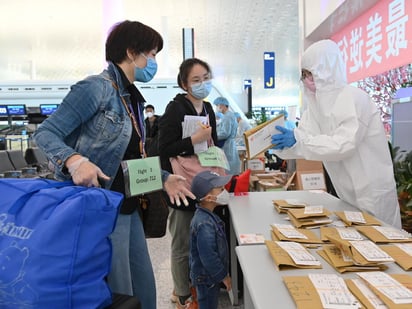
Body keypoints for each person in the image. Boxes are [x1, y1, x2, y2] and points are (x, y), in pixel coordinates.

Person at [33, 20, 195, 309]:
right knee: (117, 291)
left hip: (126, 207)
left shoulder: (129, 98)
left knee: (142, 287)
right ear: (132, 52)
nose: (153, 62)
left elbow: (128, 161)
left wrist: (163, 178)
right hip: (99, 207)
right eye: (152, 54)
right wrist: (74, 160)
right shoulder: (96, 88)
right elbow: (46, 132)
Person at [271, 39, 401, 229]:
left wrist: (299, 140)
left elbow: (343, 145)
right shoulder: (315, 107)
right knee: (362, 246)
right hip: (346, 193)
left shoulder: (354, 98)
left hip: (372, 192)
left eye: (310, 73)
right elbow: (306, 140)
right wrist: (283, 146)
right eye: (304, 74)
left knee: (385, 244)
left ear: (326, 69)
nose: (307, 79)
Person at [158, 58, 218, 309]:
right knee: (182, 241)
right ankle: (181, 293)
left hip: (204, 182)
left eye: (205, 77)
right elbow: (165, 148)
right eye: (196, 80)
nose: (202, 83)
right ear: (184, 83)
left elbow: (212, 144)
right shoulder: (175, 109)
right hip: (181, 184)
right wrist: (194, 139)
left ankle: (195, 284)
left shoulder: (209, 109)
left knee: (202, 238)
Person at [189, 171, 232, 309]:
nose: (224, 191)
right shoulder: (204, 224)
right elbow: (208, 256)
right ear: (209, 198)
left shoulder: (207, 216)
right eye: (220, 189)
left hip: (209, 276)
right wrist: (223, 276)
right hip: (206, 279)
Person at [214, 97, 241, 175]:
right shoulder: (228, 115)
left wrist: (213, 136)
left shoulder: (228, 116)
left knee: (227, 169)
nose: (217, 107)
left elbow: (225, 133)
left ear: (222, 105)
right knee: (230, 166)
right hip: (229, 145)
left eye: (217, 105)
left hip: (227, 145)